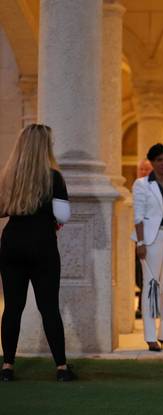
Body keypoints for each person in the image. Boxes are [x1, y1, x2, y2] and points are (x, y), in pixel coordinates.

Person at [0, 124, 76, 382]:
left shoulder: (9, 176)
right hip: (42, 245)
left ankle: (8, 366)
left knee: (12, 307)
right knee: (49, 307)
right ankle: (62, 368)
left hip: (12, 244)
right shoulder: (53, 177)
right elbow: (63, 215)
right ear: (45, 146)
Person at [131, 144, 163, 352]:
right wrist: (140, 242)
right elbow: (138, 215)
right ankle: (150, 336)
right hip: (152, 239)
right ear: (152, 162)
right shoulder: (142, 184)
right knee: (150, 286)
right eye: (159, 160)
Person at [134, 158, 153, 320]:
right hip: (139, 238)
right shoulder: (137, 186)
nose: (144, 172)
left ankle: (149, 307)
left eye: (147, 169)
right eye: (142, 169)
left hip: (155, 236)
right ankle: (142, 306)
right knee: (141, 274)